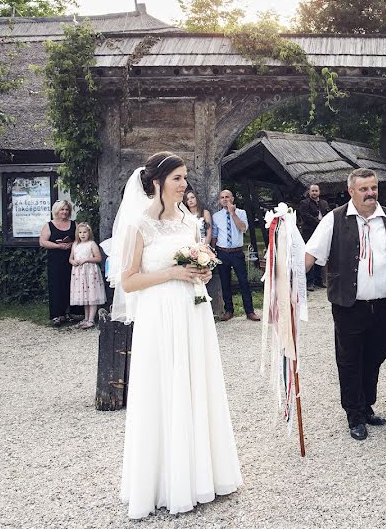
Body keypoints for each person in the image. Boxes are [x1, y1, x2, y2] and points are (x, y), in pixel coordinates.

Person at [110, 151, 242, 519]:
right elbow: (129, 280)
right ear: (157, 183)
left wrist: (202, 271)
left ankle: (203, 475)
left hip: (191, 309)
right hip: (159, 312)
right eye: (177, 179)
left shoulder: (188, 221)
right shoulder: (140, 225)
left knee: (196, 382)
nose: (184, 185)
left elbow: (197, 261)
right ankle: (164, 481)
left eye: (185, 178)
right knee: (164, 387)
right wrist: (172, 274)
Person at [304, 168, 386, 441]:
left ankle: (367, 405)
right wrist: (287, 279)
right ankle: (354, 414)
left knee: (376, 356)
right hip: (348, 305)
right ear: (351, 191)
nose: (370, 193)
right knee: (350, 360)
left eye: (373, 188)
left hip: (383, 304)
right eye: (364, 189)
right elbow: (310, 254)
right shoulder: (334, 219)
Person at [211, 190, 260, 322]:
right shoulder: (216, 216)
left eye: (227, 197)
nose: (225, 199)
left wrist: (233, 213)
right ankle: (229, 310)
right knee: (225, 282)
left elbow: (243, 228)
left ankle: (250, 311)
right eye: (222, 197)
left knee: (244, 282)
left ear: (232, 198)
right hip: (222, 252)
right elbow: (215, 234)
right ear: (219, 200)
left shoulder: (241, 213)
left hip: (236, 253)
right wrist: (213, 251)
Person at [39, 200, 76, 326]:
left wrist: (73, 244)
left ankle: (70, 313)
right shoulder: (49, 225)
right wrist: (58, 246)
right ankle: (57, 315)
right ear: (56, 211)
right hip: (55, 259)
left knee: (71, 286)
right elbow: (43, 242)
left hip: (71, 259)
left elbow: (82, 239)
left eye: (66, 210)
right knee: (56, 286)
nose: (64, 212)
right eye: (62, 210)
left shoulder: (74, 224)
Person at [69, 222, 106, 328]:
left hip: (90, 272)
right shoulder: (75, 244)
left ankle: (91, 319)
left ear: (89, 233)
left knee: (92, 294)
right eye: (80, 232)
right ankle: (86, 318)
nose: (82, 234)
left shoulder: (92, 244)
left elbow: (98, 258)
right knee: (85, 296)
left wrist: (86, 259)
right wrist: (73, 262)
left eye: (84, 232)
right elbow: (70, 258)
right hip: (79, 273)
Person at [296, 184, 330, 290]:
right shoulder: (304, 203)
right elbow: (305, 216)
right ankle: (309, 282)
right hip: (309, 232)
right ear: (309, 192)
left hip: (321, 233)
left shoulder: (324, 203)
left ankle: (319, 280)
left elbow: (328, 213)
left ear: (319, 192)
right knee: (309, 256)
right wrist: (319, 222)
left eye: (316, 191)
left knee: (320, 256)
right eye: (312, 191)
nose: (314, 193)